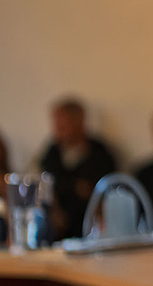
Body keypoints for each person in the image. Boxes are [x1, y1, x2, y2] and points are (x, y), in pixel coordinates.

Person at [39, 97, 116, 239]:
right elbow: (45, 186)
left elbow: (105, 193)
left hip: (91, 231)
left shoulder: (100, 154)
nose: (57, 129)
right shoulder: (51, 154)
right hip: (57, 232)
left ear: (79, 122)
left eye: (63, 125)